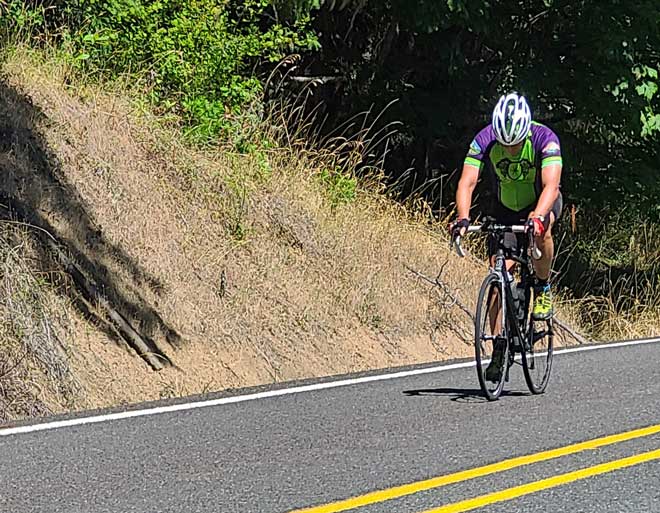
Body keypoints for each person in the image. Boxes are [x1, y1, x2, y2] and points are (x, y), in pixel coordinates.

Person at [450, 92, 563, 380]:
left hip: (540, 203)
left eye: (515, 145)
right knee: (499, 274)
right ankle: (500, 344)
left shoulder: (544, 138)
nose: (510, 150)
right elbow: (467, 181)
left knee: (542, 232)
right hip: (503, 209)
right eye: (505, 145)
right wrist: (463, 218)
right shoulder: (484, 139)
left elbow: (551, 185)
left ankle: (543, 286)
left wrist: (537, 217)